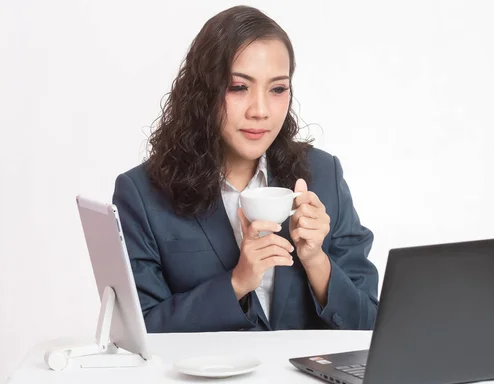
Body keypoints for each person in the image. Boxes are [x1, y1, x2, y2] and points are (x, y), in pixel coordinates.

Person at [112, 5, 379, 332]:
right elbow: (139, 330)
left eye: (278, 89)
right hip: (200, 383)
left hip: (304, 383)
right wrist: (236, 283)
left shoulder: (323, 175)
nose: (261, 111)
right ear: (203, 92)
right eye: (239, 87)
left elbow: (369, 323)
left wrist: (316, 261)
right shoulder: (141, 193)